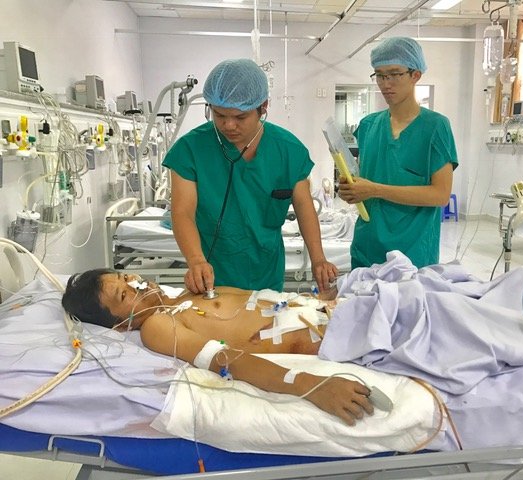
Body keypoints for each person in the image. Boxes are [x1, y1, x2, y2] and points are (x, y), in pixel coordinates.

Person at [61, 270, 372, 426]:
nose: (134, 284)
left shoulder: (191, 293)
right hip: (348, 335)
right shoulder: (157, 325)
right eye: (123, 294)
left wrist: (332, 296)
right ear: (121, 325)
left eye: (125, 276)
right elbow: (227, 360)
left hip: (346, 310)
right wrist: (311, 386)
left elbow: (278, 302)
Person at [162, 59, 338, 294]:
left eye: (240, 117)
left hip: (266, 272)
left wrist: (318, 259)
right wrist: (195, 261)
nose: (228, 125)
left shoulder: (288, 150)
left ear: (263, 107)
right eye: (219, 115)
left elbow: (304, 206)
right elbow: (182, 212)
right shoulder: (190, 150)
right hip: (211, 273)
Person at [338, 37, 458, 269]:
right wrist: (352, 190)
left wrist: (375, 190)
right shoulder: (368, 125)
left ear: (416, 75)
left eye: (394, 74)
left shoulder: (435, 127)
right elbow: (366, 180)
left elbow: (440, 195)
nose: (385, 84)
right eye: (380, 75)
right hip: (367, 249)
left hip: (412, 255)